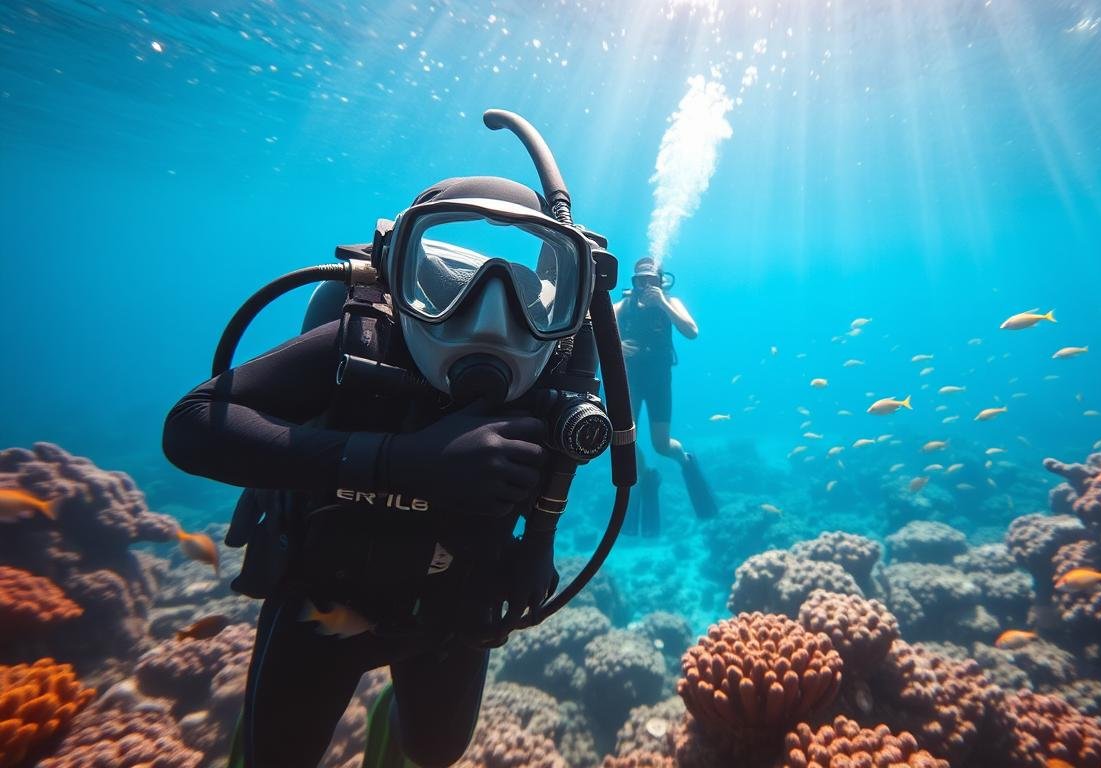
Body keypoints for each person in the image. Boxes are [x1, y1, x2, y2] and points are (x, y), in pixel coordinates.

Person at [162, 175, 606, 768]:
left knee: (436, 751)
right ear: (395, 271)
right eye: (447, 289)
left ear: (568, 303)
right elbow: (189, 425)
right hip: (319, 597)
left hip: (454, 607)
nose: (492, 321)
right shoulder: (365, 345)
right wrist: (399, 463)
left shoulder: (552, 369)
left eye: (521, 293)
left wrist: (539, 545)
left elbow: (561, 464)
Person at [614, 256, 717, 535]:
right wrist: (617, 345)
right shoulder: (624, 305)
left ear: (661, 282)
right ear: (633, 283)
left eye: (652, 281)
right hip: (631, 380)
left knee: (661, 446)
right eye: (640, 281)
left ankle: (685, 460)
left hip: (659, 381)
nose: (646, 286)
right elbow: (595, 323)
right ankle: (647, 475)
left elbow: (691, 331)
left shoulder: (670, 303)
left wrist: (661, 303)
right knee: (622, 437)